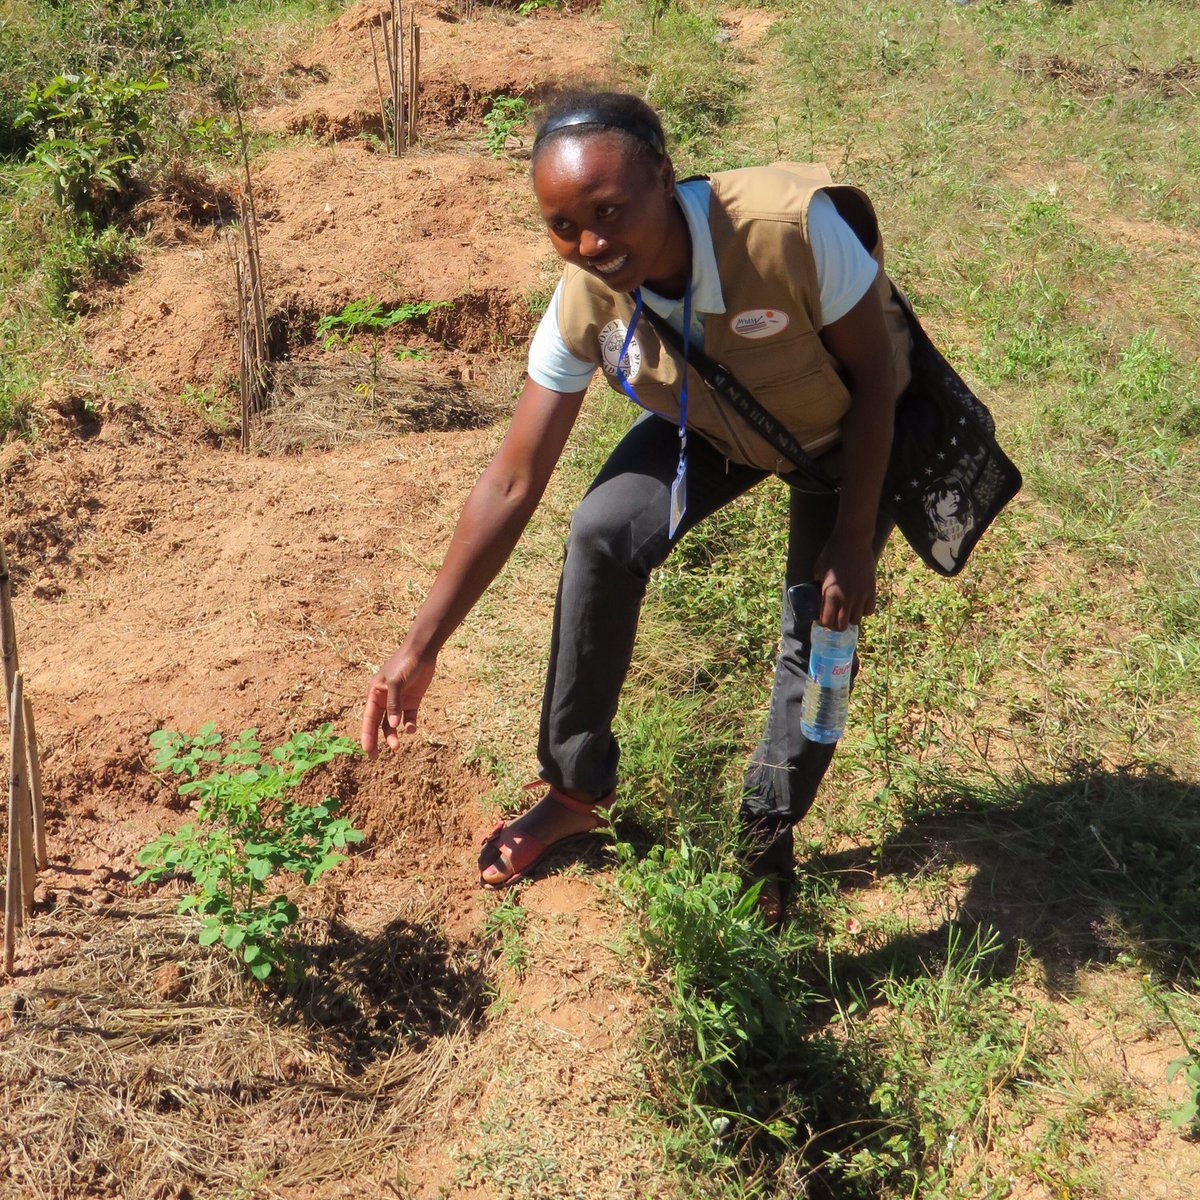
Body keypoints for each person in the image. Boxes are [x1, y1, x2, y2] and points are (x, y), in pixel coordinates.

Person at [361, 90, 913, 921]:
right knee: (602, 531)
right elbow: (512, 480)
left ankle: (766, 836)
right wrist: (418, 647)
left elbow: (877, 381)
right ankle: (575, 791)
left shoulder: (790, 230)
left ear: (663, 174)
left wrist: (854, 532)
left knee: (820, 617)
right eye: (563, 225)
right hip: (718, 427)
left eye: (609, 211)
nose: (591, 244)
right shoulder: (583, 298)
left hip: (845, 434)